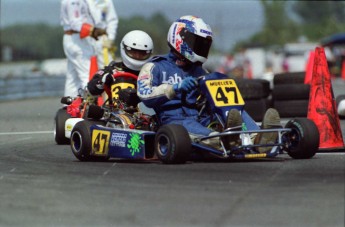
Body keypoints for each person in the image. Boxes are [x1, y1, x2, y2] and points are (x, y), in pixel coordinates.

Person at [137, 15, 281, 151]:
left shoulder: (199, 71)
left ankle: (257, 138)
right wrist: (173, 88)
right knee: (201, 132)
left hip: (201, 117)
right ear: (181, 38)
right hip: (176, 120)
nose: (201, 49)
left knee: (235, 112)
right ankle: (225, 140)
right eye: (197, 43)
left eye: (204, 45)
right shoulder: (155, 66)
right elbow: (144, 94)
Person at [87, 30, 154, 102]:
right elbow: (91, 90)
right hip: (114, 111)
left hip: (143, 111)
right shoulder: (112, 70)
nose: (137, 56)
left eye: (142, 53)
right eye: (133, 52)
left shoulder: (152, 73)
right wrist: (101, 82)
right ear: (124, 48)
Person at [60, 0, 107, 97]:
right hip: (77, 39)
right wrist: (93, 30)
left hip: (75, 38)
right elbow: (75, 22)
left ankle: (68, 107)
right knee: (87, 74)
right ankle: (90, 105)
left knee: (72, 78)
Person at [86, 0, 119, 68]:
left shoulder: (106, 1)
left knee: (107, 67)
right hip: (86, 39)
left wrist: (110, 38)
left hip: (102, 40)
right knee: (86, 69)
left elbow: (112, 20)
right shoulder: (82, 1)